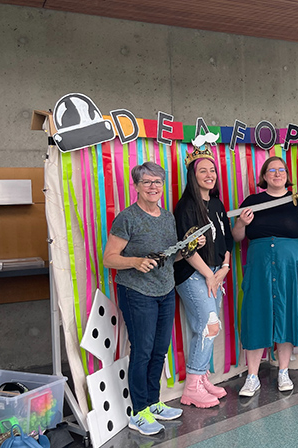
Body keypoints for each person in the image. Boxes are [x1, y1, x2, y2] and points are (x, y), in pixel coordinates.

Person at [103, 162, 184, 435]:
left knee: (160, 351)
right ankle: (139, 413)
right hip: (137, 293)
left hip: (165, 290)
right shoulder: (127, 218)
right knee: (142, 352)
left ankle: (153, 403)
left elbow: (171, 255)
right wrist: (136, 261)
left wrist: (190, 247)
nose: (153, 187)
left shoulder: (168, 217)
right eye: (147, 182)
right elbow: (109, 258)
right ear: (136, 185)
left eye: (158, 182)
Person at [231, 156, 298, 396]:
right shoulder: (252, 201)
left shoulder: (297, 201)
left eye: (281, 170)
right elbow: (238, 237)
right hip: (260, 266)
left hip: (290, 266)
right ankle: (252, 376)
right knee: (256, 314)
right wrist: (241, 222)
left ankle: (283, 371)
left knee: (288, 313)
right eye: (272, 170)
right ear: (264, 175)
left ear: (287, 174)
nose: (277, 174)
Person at [172, 148, 234, 408]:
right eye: (202, 171)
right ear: (192, 175)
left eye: (212, 170)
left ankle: (202, 377)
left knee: (211, 327)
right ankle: (192, 388)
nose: (209, 175)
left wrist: (224, 268)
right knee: (209, 325)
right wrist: (210, 275)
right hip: (193, 273)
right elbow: (185, 248)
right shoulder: (186, 206)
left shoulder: (218, 204)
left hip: (216, 272)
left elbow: (228, 238)